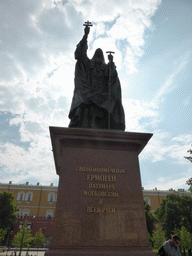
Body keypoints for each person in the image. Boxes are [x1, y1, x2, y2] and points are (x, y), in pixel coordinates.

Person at [68, 25, 125, 131]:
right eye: (97, 53)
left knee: (108, 103)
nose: (98, 55)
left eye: (100, 54)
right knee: (86, 101)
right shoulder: (88, 64)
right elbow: (80, 55)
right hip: (87, 92)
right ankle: (85, 126)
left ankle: (104, 128)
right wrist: (85, 35)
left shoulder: (106, 68)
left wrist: (111, 62)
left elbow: (112, 78)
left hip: (103, 95)